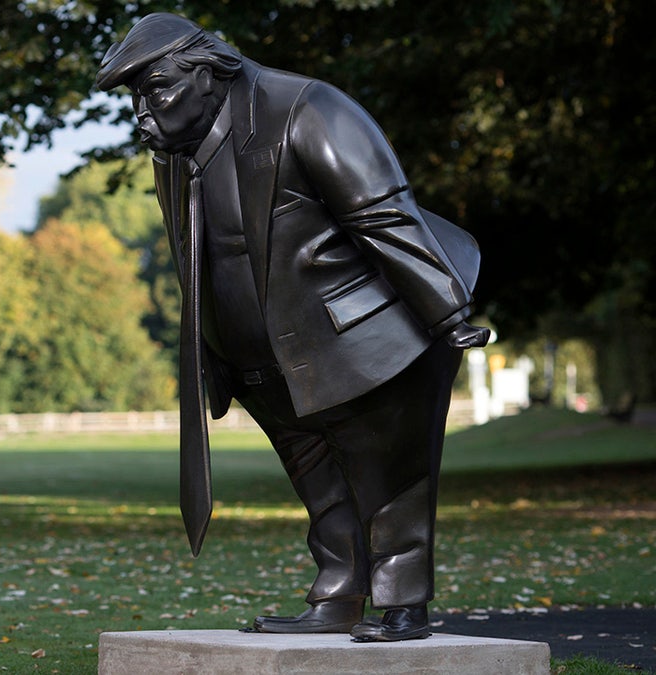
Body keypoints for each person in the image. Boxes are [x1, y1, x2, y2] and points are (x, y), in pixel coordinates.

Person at [96, 13, 489, 642]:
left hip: (364, 335)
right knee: (318, 480)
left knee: (390, 476)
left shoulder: (309, 109)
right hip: (265, 358)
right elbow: (194, 251)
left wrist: (447, 312)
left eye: (158, 89)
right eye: (137, 97)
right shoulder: (177, 146)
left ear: (206, 72)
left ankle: (402, 603)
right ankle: (339, 591)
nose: (144, 111)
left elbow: (384, 214)